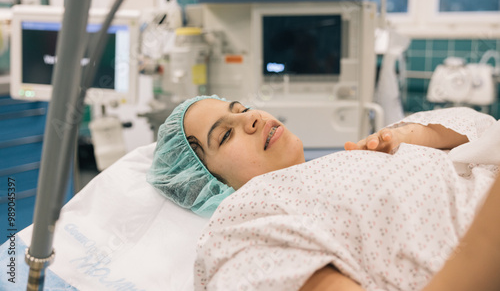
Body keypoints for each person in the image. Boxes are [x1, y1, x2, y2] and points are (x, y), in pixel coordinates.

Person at [148, 95, 500, 291]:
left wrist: (410, 135)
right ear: (211, 186)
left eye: (240, 109)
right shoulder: (243, 223)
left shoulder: (359, 153)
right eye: (225, 135)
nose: (251, 118)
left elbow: (481, 128)